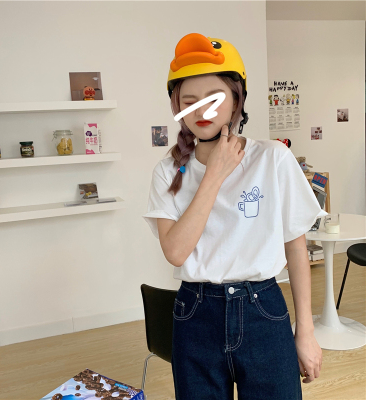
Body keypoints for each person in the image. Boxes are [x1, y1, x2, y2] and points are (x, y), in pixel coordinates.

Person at [142, 33, 326, 400]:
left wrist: (305, 331)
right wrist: (213, 174)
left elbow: (295, 248)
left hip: (263, 310)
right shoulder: (168, 171)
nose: (202, 111)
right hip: (196, 314)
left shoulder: (272, 158)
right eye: (189, 101)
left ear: (236, 100)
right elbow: (175, 252)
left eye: (213, 99)